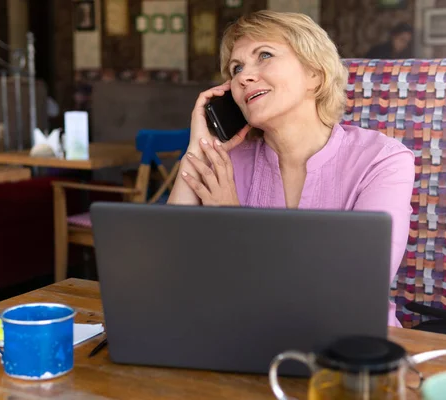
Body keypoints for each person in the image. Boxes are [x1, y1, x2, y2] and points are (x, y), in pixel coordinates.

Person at [167, 10, 414, 327]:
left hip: (349, 350)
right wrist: (196, 148)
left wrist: (232, 218)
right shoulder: (226, 160)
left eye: (264, 55)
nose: (243, 77)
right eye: (236, 68)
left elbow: (356, 285)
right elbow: (171, 269)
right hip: (238, 334)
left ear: (315, 74)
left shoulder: (382, 160)